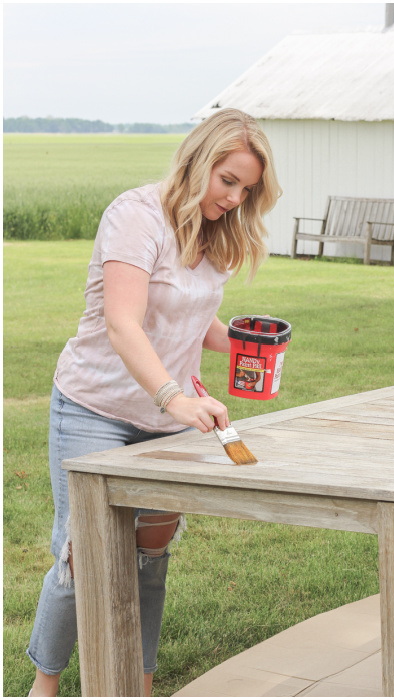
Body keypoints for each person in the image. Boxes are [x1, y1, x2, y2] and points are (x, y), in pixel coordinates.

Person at [26, 108, 282, 697]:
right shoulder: (135, 216)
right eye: (228, 181)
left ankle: (136, 685)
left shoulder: (214, 229)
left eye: (247, 190)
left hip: (164, 419)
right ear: (198, 162)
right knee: (78, 557)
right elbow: (124, 323)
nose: (236, 198)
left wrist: (245, 342)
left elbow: (192, 314)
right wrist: (175, 398)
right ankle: (45, 684)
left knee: (150, 557)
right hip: (95, 408)